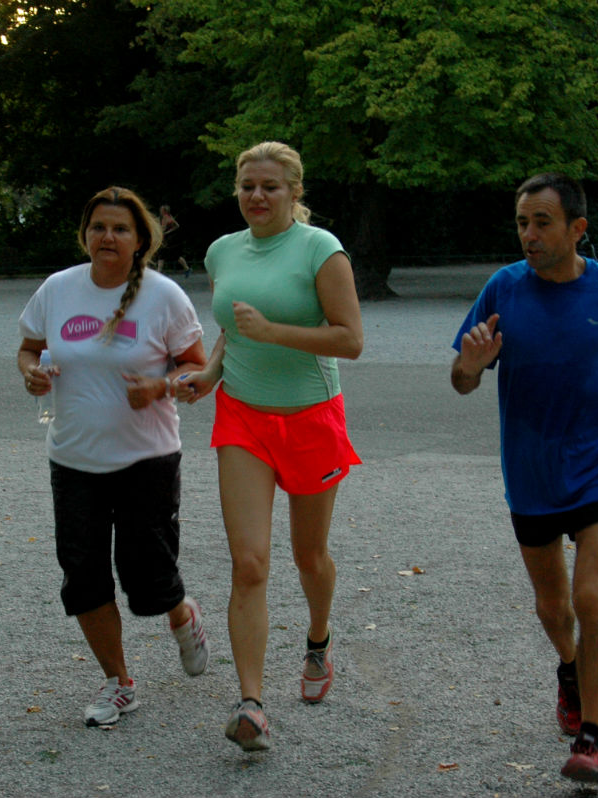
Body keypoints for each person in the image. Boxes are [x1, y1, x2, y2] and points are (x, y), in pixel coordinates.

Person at [450, 173, 598, 785]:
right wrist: (470, 367)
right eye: (522, 223)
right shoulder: (502, 288)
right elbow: (462, 379)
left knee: (590, 596)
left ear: (577, 228)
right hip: (530, 470)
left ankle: (592, 739)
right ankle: (570, 667)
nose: (529, 234)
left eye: (542, 222)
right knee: (554, 608)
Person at [177, 141, 364, 752]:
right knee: (250, 562)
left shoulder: (320, 249)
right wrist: (209, 373)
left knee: (309, 556)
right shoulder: (222, 251)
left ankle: (318, 640)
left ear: (294, 192)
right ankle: (251, 704)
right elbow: (230, 331)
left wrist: (274, 331)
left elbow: (350, 340)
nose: (256, 196)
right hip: (243, 418)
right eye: (247, 186)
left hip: (310, 418)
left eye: (270, 187)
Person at [17, 186, 209, 728]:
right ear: (85, 234)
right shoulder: (58, 289)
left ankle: (181, 614)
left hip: (146, 459)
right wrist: (31, 373)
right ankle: (118, 682)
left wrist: (159, 386)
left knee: (148, 579)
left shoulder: (163, 296)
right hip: (73, 459)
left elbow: (197, 368)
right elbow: (29, 348)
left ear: (140, 239)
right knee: (83, 576)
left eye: (121, 228)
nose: (108, 236)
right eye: (99, 227)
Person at [156, 205, 191, 277]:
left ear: (164, 211)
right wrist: (169, 231)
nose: (160, 211)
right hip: (172, 239)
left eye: (161, 210)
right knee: (174, 255)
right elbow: (177, 226)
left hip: (167, 240)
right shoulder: (170, 216)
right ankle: (187, 269)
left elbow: (163, 229)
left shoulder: (165, 218)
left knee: (162, 254)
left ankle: (159, 272)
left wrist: (161, 234)